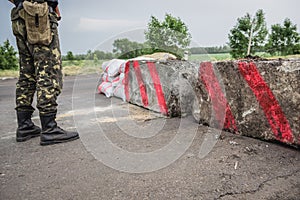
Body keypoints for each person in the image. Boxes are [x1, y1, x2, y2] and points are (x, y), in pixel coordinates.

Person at [9, 0, 79, 145]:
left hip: (19, 14)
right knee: (48, 70)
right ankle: (49, 128)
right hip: (38, 15)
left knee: (27, 73)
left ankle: (24, 125)